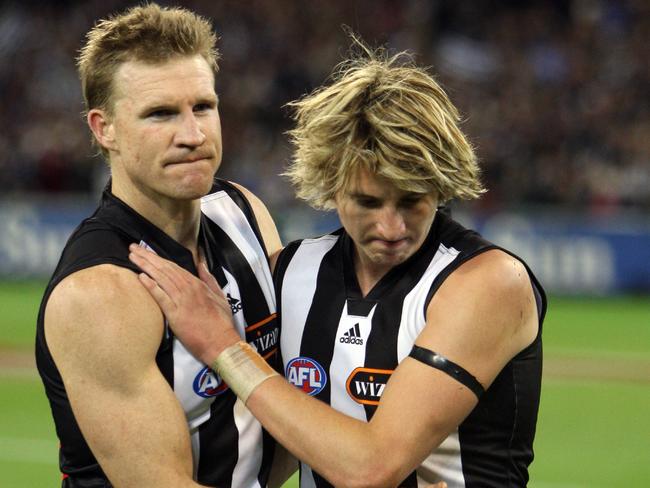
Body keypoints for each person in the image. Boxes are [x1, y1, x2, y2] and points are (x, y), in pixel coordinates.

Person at [129, 41, 546, 488]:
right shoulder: (290, 272)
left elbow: (371, 468)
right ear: (331, 185)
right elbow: (271, 438)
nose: (390, 227)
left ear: (442, 187)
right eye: (367, 202)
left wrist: (224, 347)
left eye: (412, 201)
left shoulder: (487, 283)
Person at [35, 4, 284, 487]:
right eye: (160, 114)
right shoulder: (100, 294)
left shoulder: (243, 211)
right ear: (103, 128)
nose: (192, 135)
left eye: (203, 107)